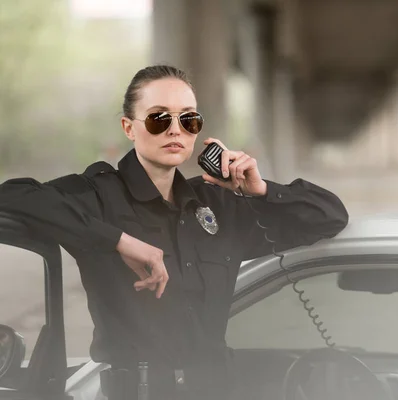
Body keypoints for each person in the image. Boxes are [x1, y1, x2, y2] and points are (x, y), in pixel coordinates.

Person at [0, 65, 349, 400]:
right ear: (128, 127)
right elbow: (12, 196)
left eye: (188, 118)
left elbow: (329, 216)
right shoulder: (99, 195)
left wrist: (261, 189)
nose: (175, 130)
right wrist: (118, 241)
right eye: (158, 118)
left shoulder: (219, 204)